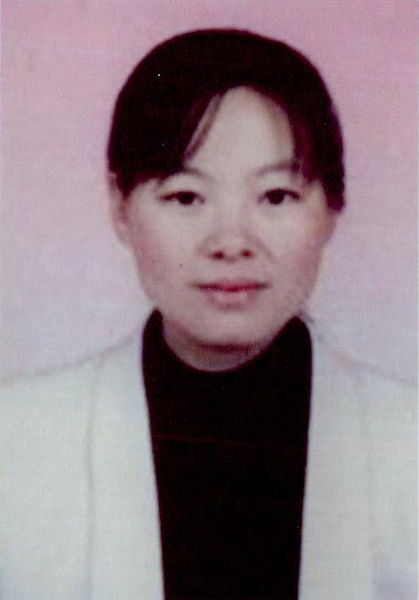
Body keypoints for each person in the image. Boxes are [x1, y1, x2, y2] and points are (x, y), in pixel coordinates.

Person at [0, 29, 416, 600]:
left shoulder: (408, 442)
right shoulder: (19, 440)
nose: (231, 242)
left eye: (276, 196)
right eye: (186, 197)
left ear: (332, 207)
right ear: (120, 206)